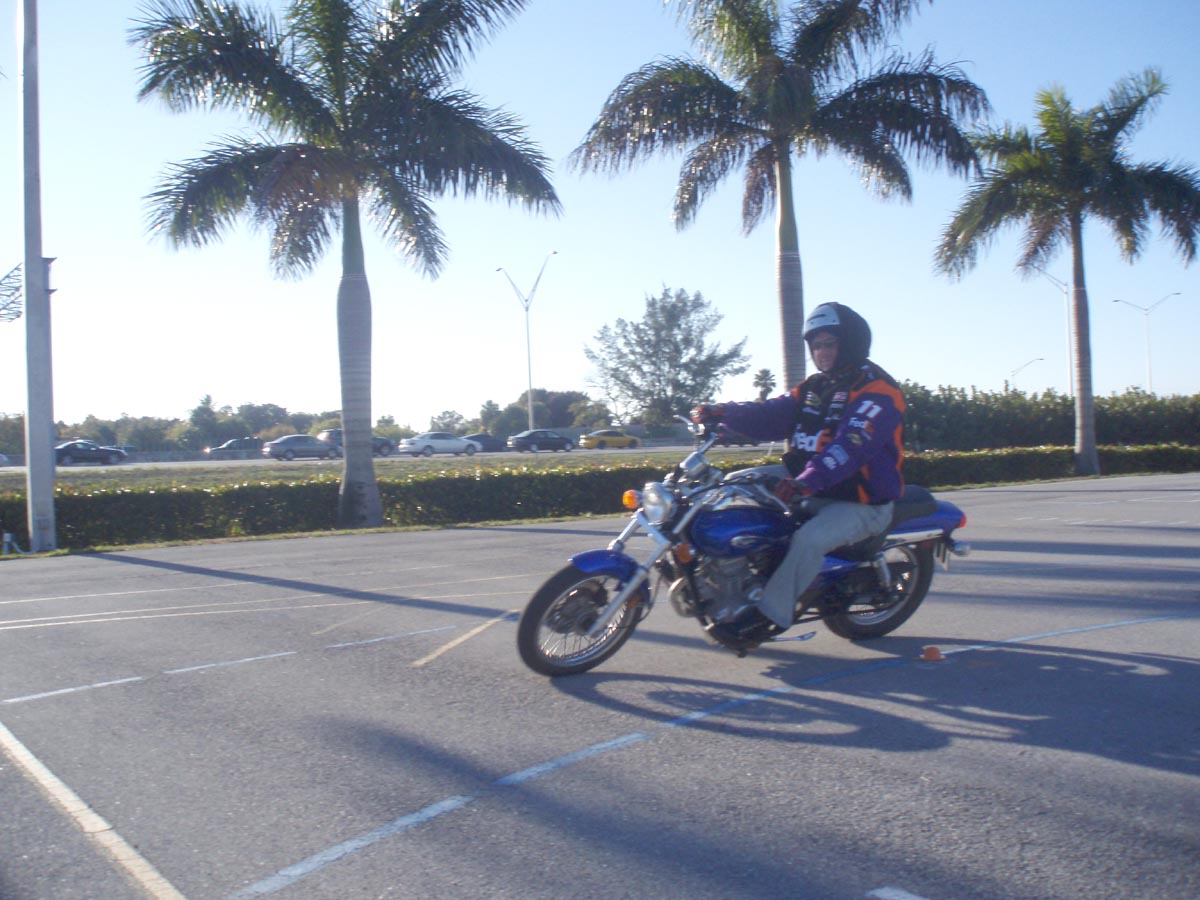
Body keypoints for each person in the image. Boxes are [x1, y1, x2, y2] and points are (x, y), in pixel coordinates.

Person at [690, 302, 906, 647]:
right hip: (808, 484)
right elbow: (770, 415)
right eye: (816, 345)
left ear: (850, 343)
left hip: (860, 501)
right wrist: (722, 413)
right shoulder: (814, 387)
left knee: (809, 540)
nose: (821, 352)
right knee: (729, 488)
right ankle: (727, 577)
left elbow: (850, 447)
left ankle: (766, 618)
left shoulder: (878, 391)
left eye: (829, 343)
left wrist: (806, 482)